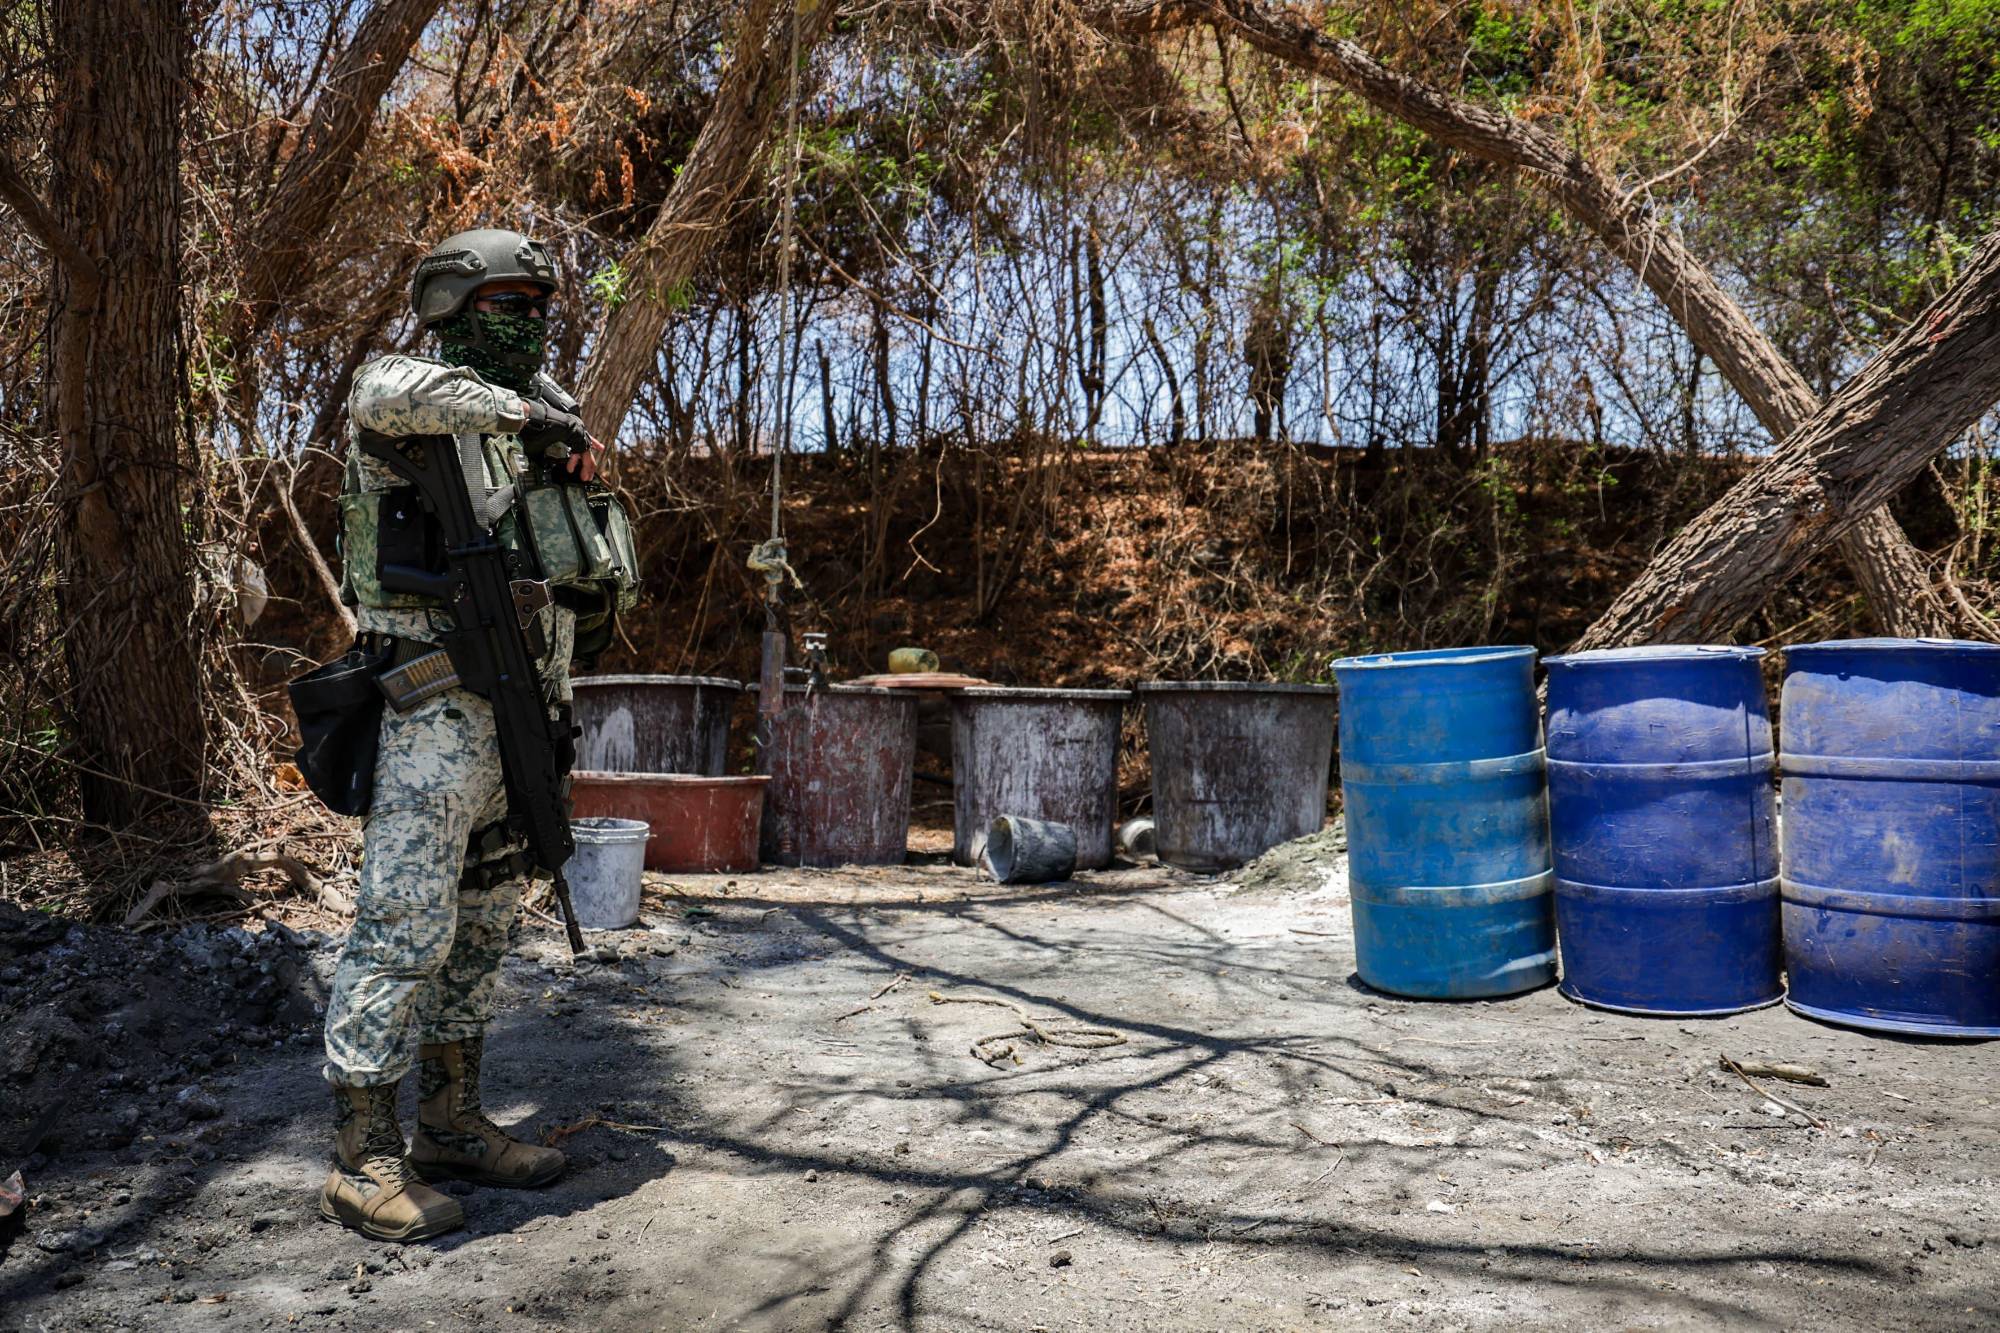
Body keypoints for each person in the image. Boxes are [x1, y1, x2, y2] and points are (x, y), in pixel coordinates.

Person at [317, 228, 636, 1241]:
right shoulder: (407, 391)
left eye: (541, 306)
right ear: (452, 307)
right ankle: (362, 1156)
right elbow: (383, 390)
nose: (531, 322)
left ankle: (450, 1125)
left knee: (484, 924)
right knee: (403, 929)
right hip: (431, 717)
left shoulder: (539, 409)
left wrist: (559, 446)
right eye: (509, 304)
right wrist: (527, 414)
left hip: (521, 717)